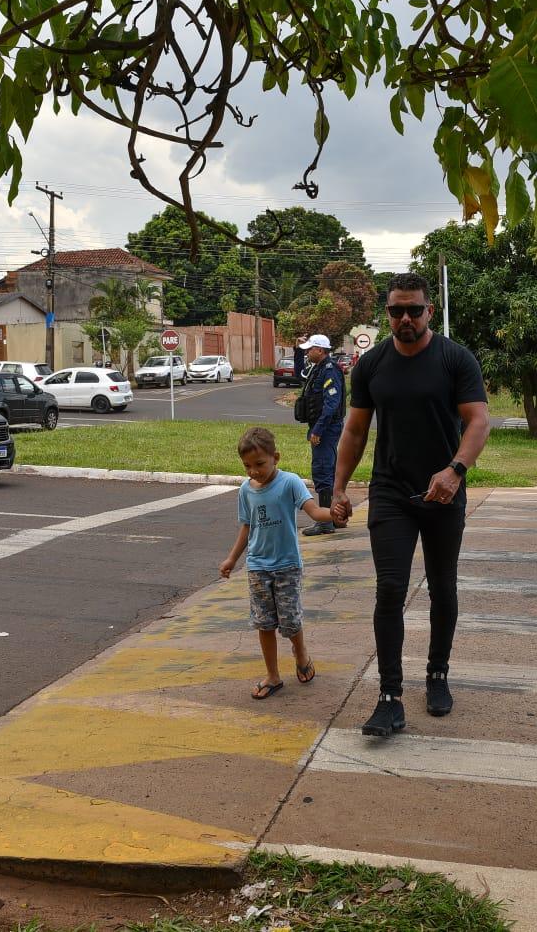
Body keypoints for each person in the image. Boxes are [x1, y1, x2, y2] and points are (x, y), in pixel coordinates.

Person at [331, 272, 491, 738]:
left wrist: (455, 471)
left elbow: (478, 421)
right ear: (387, 313)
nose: (405, 319)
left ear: (429, 311)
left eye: (413, 310)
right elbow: (355, 430)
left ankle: (437, 674)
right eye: (396, 310)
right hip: (391, 492)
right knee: (389, 591)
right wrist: (339, 489)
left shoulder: (455, 359)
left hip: (444, 492)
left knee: (443, 588)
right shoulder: (371, 365)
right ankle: (389, 697)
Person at [219, 426, 342, 701]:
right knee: (264, 623)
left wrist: (332, 514)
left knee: (290, 622)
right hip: (258, 566)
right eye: (247, 466)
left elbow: (312, 511)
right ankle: (273, 675)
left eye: (259, 464)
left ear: (276, 457)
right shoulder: (245, 490)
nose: (253, 471)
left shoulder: (290, 482)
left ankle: (301, 654)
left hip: (287, 565)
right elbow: (246, 527)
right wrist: (232, 558)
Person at [298, 333, 346, 536]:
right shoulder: (317, 369)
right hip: (321, 426)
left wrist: (318, 430)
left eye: (310, 349)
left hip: (326, 428)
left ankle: (326, 522)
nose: (307, 352)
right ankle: (335, 518)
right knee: (329, 471)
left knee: (323, 471)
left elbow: (332, 404)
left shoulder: (329, 370)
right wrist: (297, 351)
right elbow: (298, 373)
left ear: (320, 350)